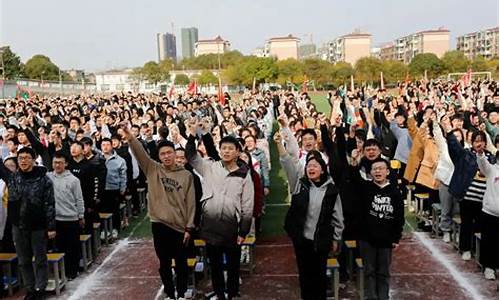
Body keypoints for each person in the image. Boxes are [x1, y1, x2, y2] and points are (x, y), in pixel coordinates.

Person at [123, 123, 196, 300]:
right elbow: (140, 152)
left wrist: (189, 227)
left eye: (169, 152)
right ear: (159, 156)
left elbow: (191, 203)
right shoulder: (152, 169)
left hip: (179, 227)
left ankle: (181, 293)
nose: (166, 156)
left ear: (175, 154)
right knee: (164, 263)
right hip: (159, 224)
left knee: (181, 263)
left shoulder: (186, 175)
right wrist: (129, 135)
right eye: (162, 154)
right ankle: (170, 294)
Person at [185, 118, 254, 300]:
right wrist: (193, 135)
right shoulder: (210, 167)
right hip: (210, 227)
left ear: (238, 152)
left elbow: (247, 205)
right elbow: (191, 157)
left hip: (232, 229)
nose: (226, 151)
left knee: (232, 266)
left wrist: (243, 231)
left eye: (231, 148)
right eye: (224, 148)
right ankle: (219, 294)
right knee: (214, 265)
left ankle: (232, 294)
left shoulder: (244, 175)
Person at [276, 131, 344, 300]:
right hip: (302, 240)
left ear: (322, 170)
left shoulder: (331, 189)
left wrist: (336, 238)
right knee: (304, 276)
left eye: (315, 166)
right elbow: (288, 163)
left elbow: (338, 217)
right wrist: (279, 144)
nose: (311, 168)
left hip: (321, 240)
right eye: (309, 166)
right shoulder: (300, 184)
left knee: (319, 276)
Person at [0, 147, 55, 300]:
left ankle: (40, 288)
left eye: (26, 158)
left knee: (40, 259)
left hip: (38, 225)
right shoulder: (12, 178)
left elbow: (50, 204)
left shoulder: (44, 179)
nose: (23, 161)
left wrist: (51, 227)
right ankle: (30, 289)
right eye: (20, 158)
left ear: (33, 160)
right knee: (23, 260)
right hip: (18, 225)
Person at [349, 157, 404, 300]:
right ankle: (371, 297)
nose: (378, 171)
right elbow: (354, 179)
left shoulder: (395, 192)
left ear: (387, 171)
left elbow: (399, 217)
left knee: (384, 272)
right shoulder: (366, 188)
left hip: (386, 240)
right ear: (370, 172)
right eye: (374, 169)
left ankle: (383, 297)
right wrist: (354, 164)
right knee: (369, 271)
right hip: (367, 239)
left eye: (381, 169)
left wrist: (396, 237)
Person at [48, 151, 85, 280]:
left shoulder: (74, 180)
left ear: (66, 164)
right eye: (55, 162)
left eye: (60, 163)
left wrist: (81, 215)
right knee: (59, 247)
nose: (57, 165)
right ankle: (61, 272)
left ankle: (72, 271)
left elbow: (79, 199)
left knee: (72, 248)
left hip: (71, 218)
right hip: (55, 219)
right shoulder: (48, 177)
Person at [476, 151, 498, 280]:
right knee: (489, 241)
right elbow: (483, 164)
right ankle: (488, 267)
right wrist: (480, 154)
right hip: (490, 212)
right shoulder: (492, 170)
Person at [100, 137, 127, 239]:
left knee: (114, 210)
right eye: (103, 145)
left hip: (114, 189)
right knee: (102, 211)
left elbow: (123, 176)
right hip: (102, 190)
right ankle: (104, 230)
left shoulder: (120, 160)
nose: (105, 147)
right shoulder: (98, 159)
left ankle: (115, 229)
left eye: (107, 145)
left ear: (112, 146)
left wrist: (122, 189)